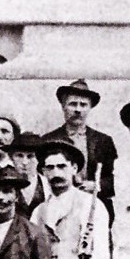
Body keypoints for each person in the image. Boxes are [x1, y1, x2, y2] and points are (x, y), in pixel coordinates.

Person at [43, 79, 117, 219]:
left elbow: (115, 179)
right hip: (58, 205)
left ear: (89, 108)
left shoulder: (103, 141)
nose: (78, 109)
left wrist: (96, 185)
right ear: (63, 106)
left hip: (93, 206)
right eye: (72, 104)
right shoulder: (49, 140)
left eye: (83, 105)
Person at [7, 132, 49, 217]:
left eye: (30, 156)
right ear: (11, 158)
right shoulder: (4, 184)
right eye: (19, 156)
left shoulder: (48, 186)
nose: (25, 162)